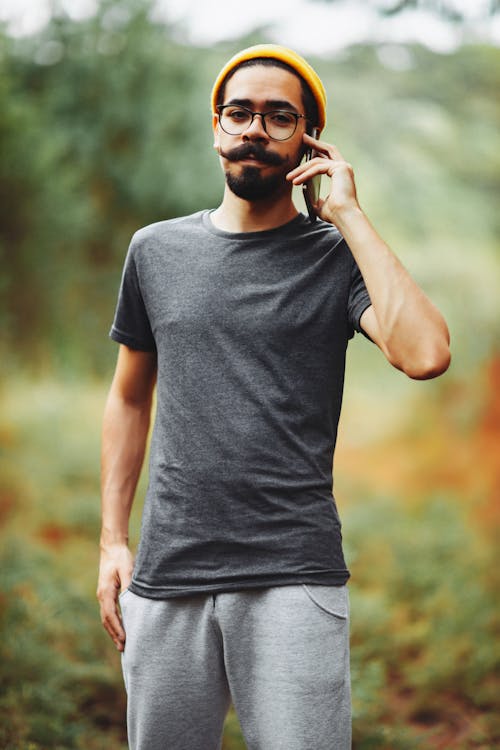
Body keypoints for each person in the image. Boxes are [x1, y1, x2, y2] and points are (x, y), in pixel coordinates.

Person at [97, 44, 450, 750]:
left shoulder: (339, 259)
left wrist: (347, 215)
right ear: (216, 128)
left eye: (279, 116)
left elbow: (426, 354)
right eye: (239, 112)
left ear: (309, 140)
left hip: (294, 574)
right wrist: (112, 538)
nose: (254, 128)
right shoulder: (155, 251)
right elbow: (130, 398)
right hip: (169, 575)